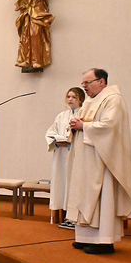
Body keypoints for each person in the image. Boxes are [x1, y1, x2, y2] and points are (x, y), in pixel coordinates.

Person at [66, 68, 131, 255]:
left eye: (87, 82)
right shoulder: (90, 100)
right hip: (87, 159)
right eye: (83, 83)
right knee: (84, 195)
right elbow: (83, 123)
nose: (84, 86)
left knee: (103, 197)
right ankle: (85, 237)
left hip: (103, 159)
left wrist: (84, 126)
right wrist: (75, 125)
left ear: (102, 81)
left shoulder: (113, 99)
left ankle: (104, 241)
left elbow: (109, 126)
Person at [46, 87, 85, 227]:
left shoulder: (84, 115)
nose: (70, 99)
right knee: (63, 183)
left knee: (75, 184)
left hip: (76, 155)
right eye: (68, 96)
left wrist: (69, 141)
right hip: (61, 156)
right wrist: (56, 141)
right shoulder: (62, 116)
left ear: (80, 99)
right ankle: (67, 215)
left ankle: (76, 217)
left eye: (74, 97)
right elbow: (51, 132)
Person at [10, 0, 54, 70]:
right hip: (26, 10)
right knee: (25, 35)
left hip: (37, 10)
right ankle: (26, 59)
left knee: (36, 34)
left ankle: (37, 60)